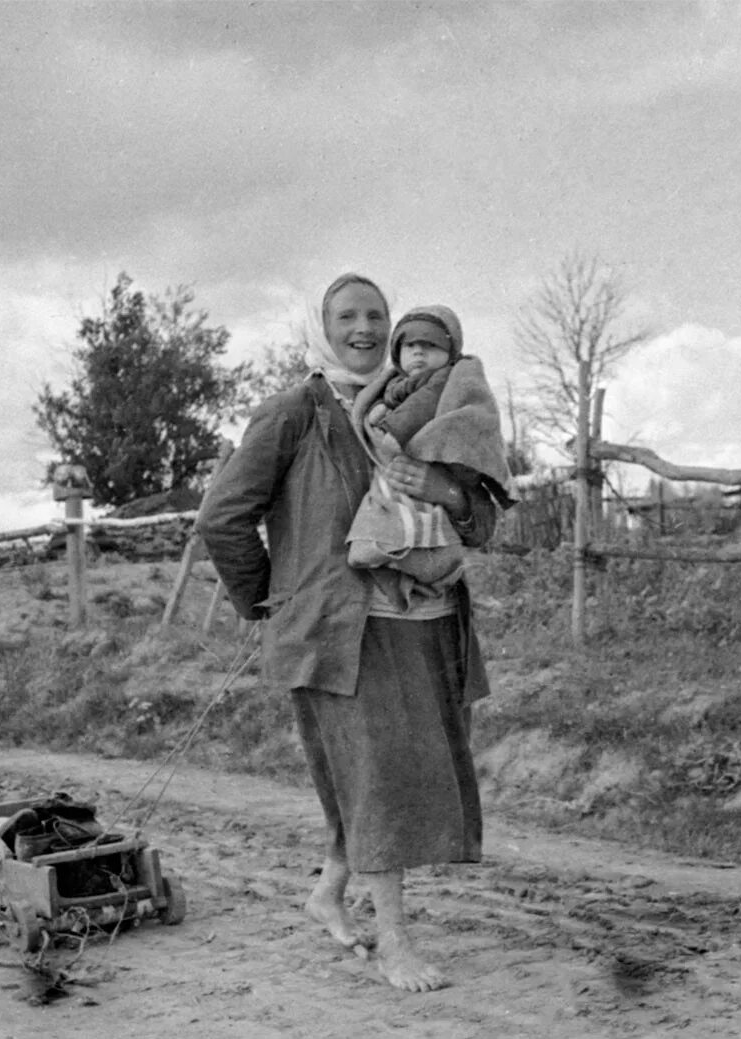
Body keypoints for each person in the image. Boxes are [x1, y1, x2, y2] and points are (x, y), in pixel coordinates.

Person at [195, 273, 509, 992]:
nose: (363, 328)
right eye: (347, 316)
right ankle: (394, 942)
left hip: (429, 624)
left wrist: (448, 491)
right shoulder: (295, 413)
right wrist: (269, 599)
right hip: (342, 635)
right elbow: (221, 516)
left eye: (376, 315)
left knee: (384, 778)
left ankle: (329, 889)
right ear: (322, 325)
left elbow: (484, 519)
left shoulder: (430, 401)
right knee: (382, 783)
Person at [346, 304, 514, 606]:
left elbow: (420, 407)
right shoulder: (385, 387)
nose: (419, 353)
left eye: (430, 345)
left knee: (428, 540)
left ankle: (425, 567)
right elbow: (395, 401)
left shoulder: (451, 383)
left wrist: (448, 492)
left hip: (433, 610)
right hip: (357, 602)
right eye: (410, 345)